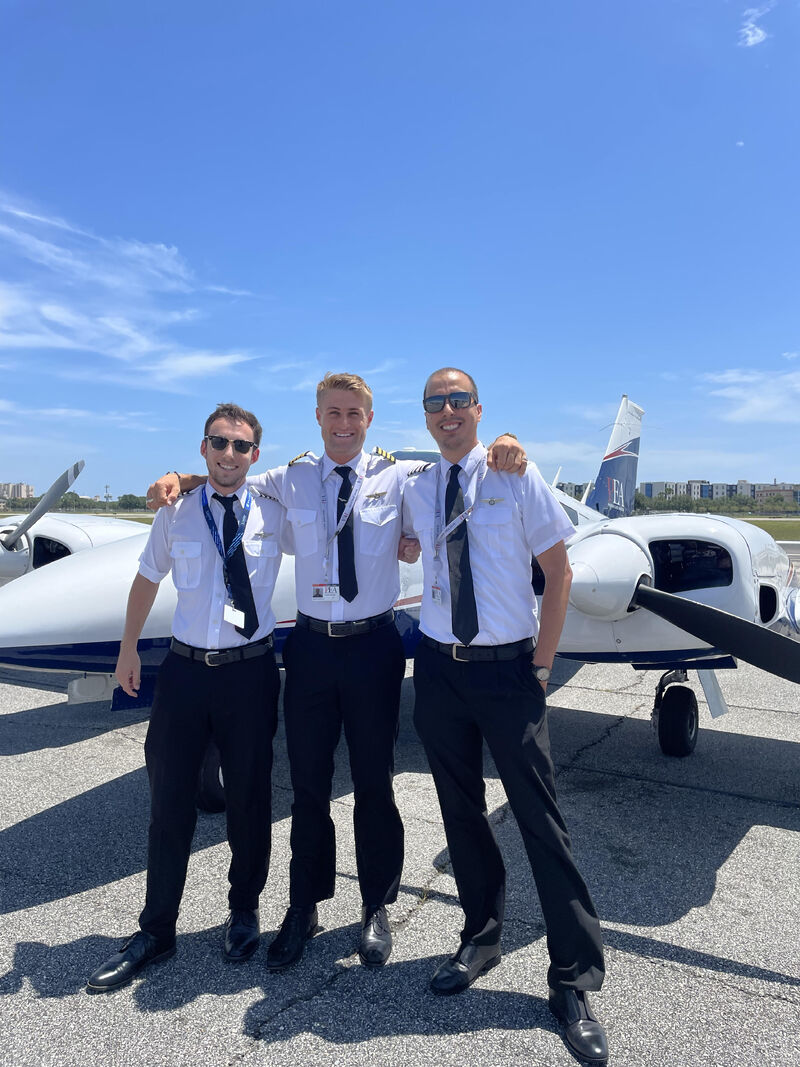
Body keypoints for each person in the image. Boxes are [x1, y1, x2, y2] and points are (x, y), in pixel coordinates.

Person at [147, 373, 525, 973]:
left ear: (368, 420)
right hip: (311, 650)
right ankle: (303, 906)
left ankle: (375, 904)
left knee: (374, 783)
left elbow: (459, 469)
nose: (343, 424)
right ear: (318, 417)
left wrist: (505, 438)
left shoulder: (399, 477)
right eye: (333, 413)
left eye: (354, 414)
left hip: (374, 647)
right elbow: (226, 476)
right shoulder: (290, 478)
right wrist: (177, 477)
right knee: (308, 786)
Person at [402, 368, 608, 1065]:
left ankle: (573, 980)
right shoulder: (418, 487)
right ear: (426, 415)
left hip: (507, 671)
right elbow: (394, 534)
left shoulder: (516, 475)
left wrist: (542, 666)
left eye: (459, 400)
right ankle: (481, 936)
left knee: (540, 821)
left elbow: (559, 571)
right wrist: (185, 481)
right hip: (438, 669)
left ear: (478, 410)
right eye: (436, 402)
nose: (448, 410)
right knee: (460, 813)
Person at [86, 403, 285, 994]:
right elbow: (147, 578)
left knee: (249, 800)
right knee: (169, 804)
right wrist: (127, 649)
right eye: (218, 443)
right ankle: (157, 930)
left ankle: (244, 910)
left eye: (241, 446)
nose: (229, 454)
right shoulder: (175, 512)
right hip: (186, 674)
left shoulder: (274, 509)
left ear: (255, 455)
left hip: (250, 675)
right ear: (203, 448)